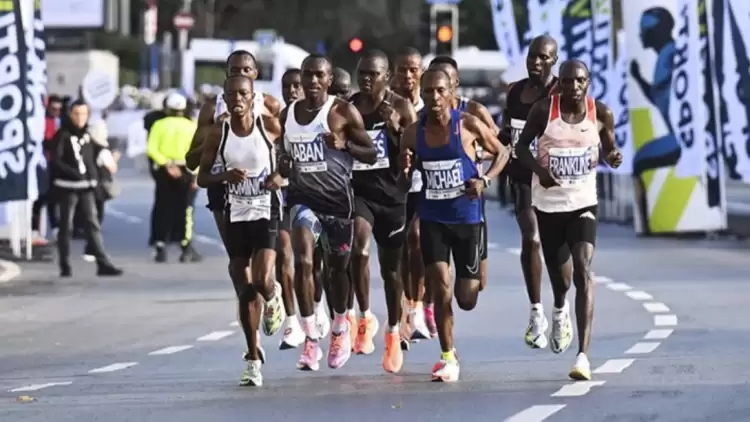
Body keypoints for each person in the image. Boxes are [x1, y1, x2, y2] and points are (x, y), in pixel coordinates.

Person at [514, 59, 622, 381]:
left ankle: (583, 357)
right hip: (548, 205)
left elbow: (609, 148)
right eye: (566, 81)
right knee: (560, 280)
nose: (573, 87)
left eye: (579, 81)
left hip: (583, 202)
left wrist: (612, 157)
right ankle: (559, 309)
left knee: (583, 269)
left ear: (588, 82)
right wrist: (540, 172)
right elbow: (520, 148)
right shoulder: (543, 111)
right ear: (557, 84)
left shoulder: (600, 112)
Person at [399, 69, 509, 382]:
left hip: (468, 219)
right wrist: (405, 172)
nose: (434, 98)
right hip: (434, 218)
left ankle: (451, 340)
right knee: (441, 288)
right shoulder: (412, 133)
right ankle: (448, 356)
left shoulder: (467, 124)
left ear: (451, 92)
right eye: (428, 91)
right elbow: (400, 179)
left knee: (467, 298)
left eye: (439, 91)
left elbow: (502, 152)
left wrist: (485, 179)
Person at [279, 54, 377, 371]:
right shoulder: (288, 114)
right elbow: (284, 153)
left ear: (329, 79)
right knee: (304, 260)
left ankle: (339, 327)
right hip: (302, 200)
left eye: (318, 75)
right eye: (307, 75)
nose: (311, 81)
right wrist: (283, 165)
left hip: (337, 203)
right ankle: (310, 338)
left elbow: (372, 153)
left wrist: (344, 144)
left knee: (337, 271)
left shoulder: (342, 111)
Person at [197, 75, 286, 387]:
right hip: (236, 212)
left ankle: (274, 297)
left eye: (243, 94)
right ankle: (252, 358)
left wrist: (280, 177)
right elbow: (202, 178)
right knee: (242, 281)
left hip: (266, 210)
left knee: (262, 279)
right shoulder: (217, 133)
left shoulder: (269, 126)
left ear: (252, 97)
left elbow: (292, 159)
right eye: (232, 94)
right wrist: (225, 177)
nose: (237, 99)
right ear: (225, 96)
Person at [349, 50, 417, 373]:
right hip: (361, 194)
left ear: (386, 77)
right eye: (362, 73)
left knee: (392, 271)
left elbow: (418, 147)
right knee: (359, 250)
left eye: (372, 74)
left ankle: (392, 329)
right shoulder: (349, 107)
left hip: (393, 198)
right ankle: (365, 316)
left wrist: (396, 132)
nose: (365, 79)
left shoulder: (401, 107)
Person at [184, 50, 281, 253]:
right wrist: (215, 137)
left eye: (247, 69)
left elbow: (285, 149)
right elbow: (191, 161)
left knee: (267, 261)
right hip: (223, 189)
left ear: (256, 72)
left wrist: (279, 175)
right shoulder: (213, 108)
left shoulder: (269, 105)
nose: (242, 74)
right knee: (239, 261)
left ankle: (270, 285)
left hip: (261, 188)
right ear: (227, 73)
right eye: (235, 70)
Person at [499, 34, 560, 349]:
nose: (536, 62)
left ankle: (560, 309)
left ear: (554, 60)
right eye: (532, 56)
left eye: (543, 57)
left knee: (561, 253)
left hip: (556, 182)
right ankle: (537, 312)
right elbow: (505, 135)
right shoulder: (515, 93)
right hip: (523, 179)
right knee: (531, 238)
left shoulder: (563, 93)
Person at [428, 56, 500, 294]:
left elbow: (499, 147)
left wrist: (473, 153)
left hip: (469, 199)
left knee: (475, 287)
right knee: (439, 278)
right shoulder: (425, 113)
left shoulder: (473, 111)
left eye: (445, 80)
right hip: (434, 200)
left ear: (454, 82)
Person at [277, 68, 331, 350]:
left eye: (297, 86)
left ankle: (317, 305)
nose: (293, 91)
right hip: (285, 197)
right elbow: (277, 152)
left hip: (317, 197)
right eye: (287, 87)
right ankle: (291, 321)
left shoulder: (323, 115)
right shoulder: (281, 117)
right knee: (286, 256)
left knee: (315, 261)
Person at [50, 99, 122, 278]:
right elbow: (56, 161)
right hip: (67, 187)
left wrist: (96, 173)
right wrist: (75, 174)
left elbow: (96, 154)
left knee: (93, 224)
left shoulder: (88, 135)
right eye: (76, 114)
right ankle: (65, 265)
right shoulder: (62, 135)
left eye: (84, 114)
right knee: (66, 226)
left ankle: (103, 263)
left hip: (87, 187)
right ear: (70, 114)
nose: (80, 118)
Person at [391, 47, 433, 346]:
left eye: (413, 70)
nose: (407, 75)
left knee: (417, 240)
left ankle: (418, 307)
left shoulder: (432, 104)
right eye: (402, 69)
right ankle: (407, 305)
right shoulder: (386, 104)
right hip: (393, 188)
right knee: (402, 251)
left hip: (427, 186)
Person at [147, 93, 201, 263]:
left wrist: (166, 164)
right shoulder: (192, 126)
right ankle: (185, 246)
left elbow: (151, 148)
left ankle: (160, 244)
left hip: (164, 170)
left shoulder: (158, 124)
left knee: (162, 207)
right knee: (186, 209)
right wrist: (197, 174)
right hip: (187, 169)